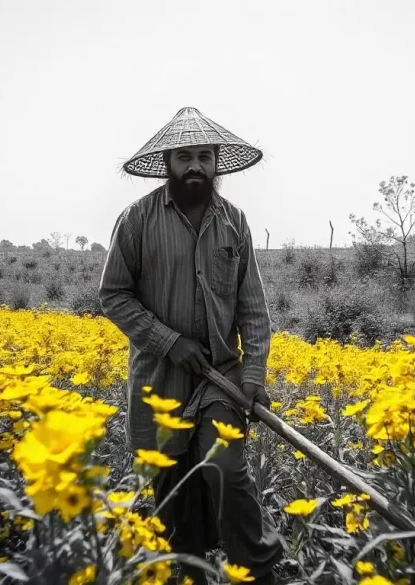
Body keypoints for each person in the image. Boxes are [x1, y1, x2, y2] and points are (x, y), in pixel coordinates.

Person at [99, 107, 282, 585]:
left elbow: (253, 309)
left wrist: (254, 377)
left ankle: (258, 571)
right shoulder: (137, 220)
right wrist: (169, 340)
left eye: (204, 157)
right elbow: (113, 295)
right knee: (172, 489)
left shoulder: (234, 222)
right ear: (168, 163)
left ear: (218, 163)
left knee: (224, 468)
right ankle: (191, 573)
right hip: (159, 379)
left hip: (220, 378)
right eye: (185, 157)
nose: (195, 166)